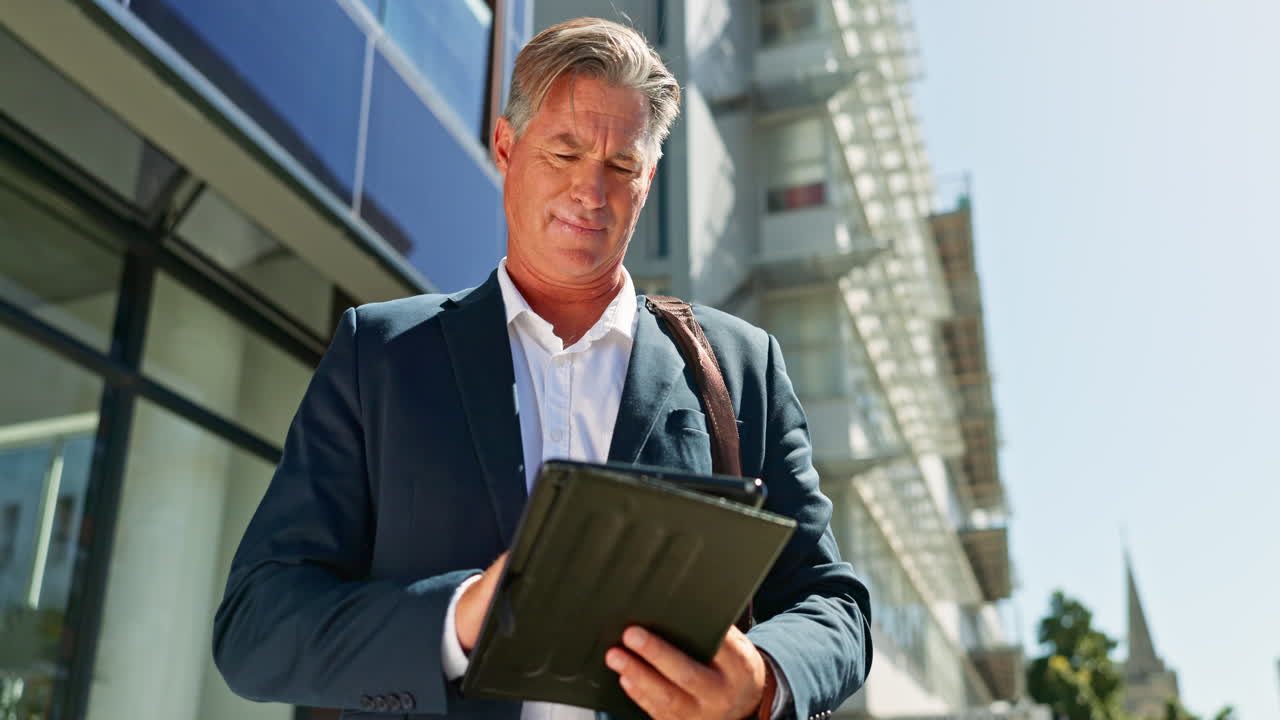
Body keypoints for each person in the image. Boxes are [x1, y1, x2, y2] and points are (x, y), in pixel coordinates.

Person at [213, 17, 871, 720]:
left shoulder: (740, 368)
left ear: (647, 181)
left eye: (621, 166)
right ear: (506, 146)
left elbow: (834, 604)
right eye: (564, 152)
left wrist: (764, 678)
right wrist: (459, 618)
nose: (591, 192)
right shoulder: (380, 355)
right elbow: (257, 627)